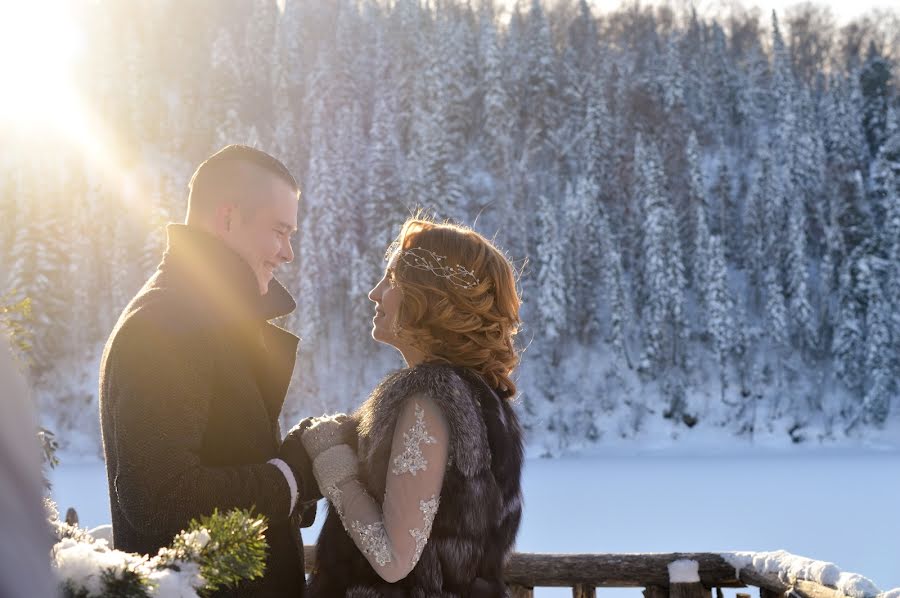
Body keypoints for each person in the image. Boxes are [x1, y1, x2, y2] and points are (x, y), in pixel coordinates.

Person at [99, 145, 320, 596]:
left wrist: (303, 469)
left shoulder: (207, 319)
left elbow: (227, 460)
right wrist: (290, 477)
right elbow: (159, 498)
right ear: (227, 218)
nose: (288, 253)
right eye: (279, 231)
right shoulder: (166, 324)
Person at [302, 217, 525, 597]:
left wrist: (330, 458)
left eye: (391, 280)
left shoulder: (429, 399)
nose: (374, 293)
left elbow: (392, 559)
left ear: (430, 297)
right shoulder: (481, 401)